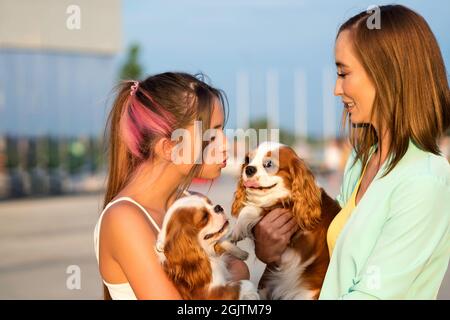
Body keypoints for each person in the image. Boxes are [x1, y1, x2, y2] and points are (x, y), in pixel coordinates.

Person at [253, 5, 450, 299]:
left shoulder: (425, 180)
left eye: (344, 73)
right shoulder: (362, 160)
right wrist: (269, 248)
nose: (336, 88)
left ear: (387, 74)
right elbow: (328, 257)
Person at [93, 72, 263, 299]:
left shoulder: (195, 202)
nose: (225, 145)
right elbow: (234, 278)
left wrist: (269, 253)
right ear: (168, 147)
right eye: (211, 136)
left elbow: (238, 273)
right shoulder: (124, 219)